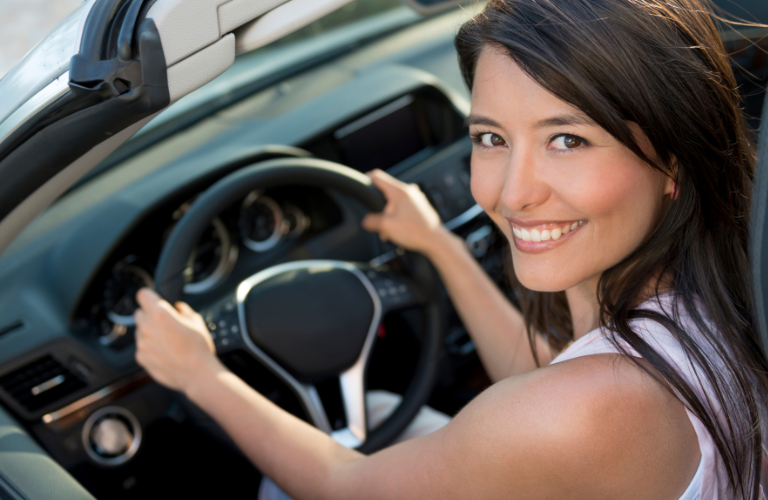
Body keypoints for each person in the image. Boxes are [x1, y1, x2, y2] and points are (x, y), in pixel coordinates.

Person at [133, 0, 768, 497]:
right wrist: (438, 246)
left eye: (568, 140)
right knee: (375, 409)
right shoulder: (710, 301)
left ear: (672, 161)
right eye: (492, 138)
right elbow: (548, 378)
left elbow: (342, 486)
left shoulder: (589, 411)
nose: (512, 194)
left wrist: (200, 375)